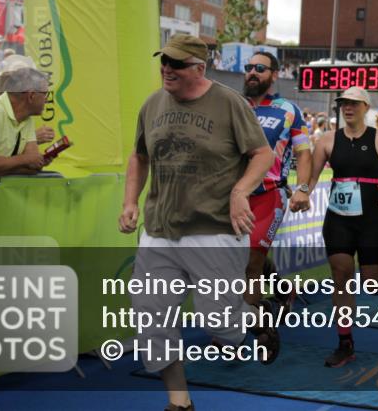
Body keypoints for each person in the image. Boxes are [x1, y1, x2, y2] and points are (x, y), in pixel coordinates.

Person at [117, 34, 275, 411]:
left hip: (214, 229)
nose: (166, 69)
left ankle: (259, 318)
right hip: (160, 231)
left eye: (176, 64)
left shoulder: (229, 103)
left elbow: (262, 154)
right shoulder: (152, 104)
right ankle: (180, 402)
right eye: (164, 62)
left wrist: (240, 192)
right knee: (151, 321)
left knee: (219, 323)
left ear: (199, 68)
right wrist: (130, 202)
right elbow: (139, 156)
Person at [291, 85, 378, 368]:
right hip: (339, 218)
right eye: (344, 103)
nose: (348, 107)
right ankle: (345, 343)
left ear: (366, 107)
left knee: (372, 283)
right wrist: (303, 192)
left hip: (372, 219)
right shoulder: (327, 140)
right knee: (340, 275)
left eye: (354, 103)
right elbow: (312, 176)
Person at [241, 50, 311, 327]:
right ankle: (283, 291)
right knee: (235, 258)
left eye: (260, 68)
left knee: (251, 261)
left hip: (269, 195)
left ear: (274, 75)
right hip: (233, 195)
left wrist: (303, 188)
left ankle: (239, 333)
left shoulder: (288, 109)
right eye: (249, 67)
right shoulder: (234, 106)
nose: (252, 72)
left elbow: (303, 153)